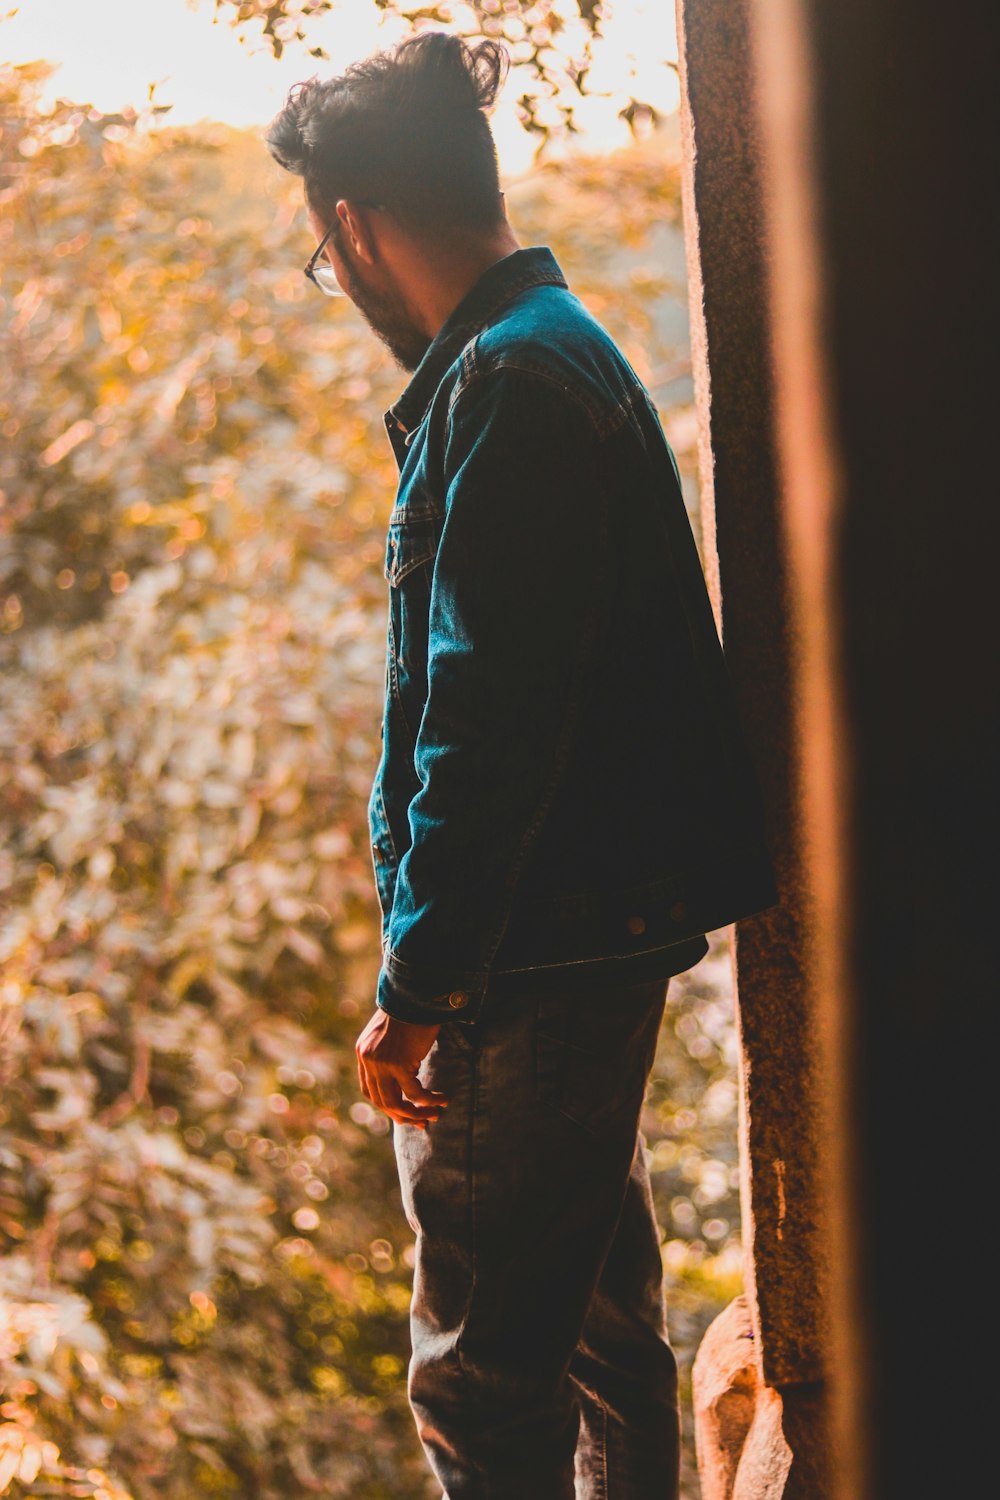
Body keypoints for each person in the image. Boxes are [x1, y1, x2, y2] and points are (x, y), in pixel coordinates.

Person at [265, 32, 778, 1500]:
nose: (338, 278)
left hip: (522, 967)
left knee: (483, 1382)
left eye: (323, 253)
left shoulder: (507, 386)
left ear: (353, 227)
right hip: (579, 948)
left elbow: (482, 727)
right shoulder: (549, 351)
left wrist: (418, 990)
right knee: (606, 1330)